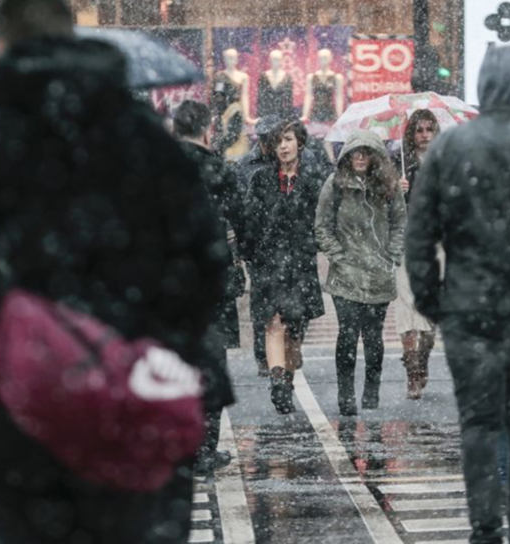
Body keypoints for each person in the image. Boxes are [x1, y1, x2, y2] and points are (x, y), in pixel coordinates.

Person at [0, 0, 231, 542]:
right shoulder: (146, 146)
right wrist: (153, 342)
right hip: (125, 398)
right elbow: (204, 266)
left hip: (2, 408)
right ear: (74, 39)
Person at [406, 45, 510, 544]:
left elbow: (419, 235)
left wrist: (432, 298)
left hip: (468, 306)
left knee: (479, 423)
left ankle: (484, 528)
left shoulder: (449, 149)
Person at [174, 100, 244, 475]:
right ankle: (204, 449)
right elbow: (244, 217)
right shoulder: (216, 168)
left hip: (169, 286)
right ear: (207, 129)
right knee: (211, 365)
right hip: (210, 284)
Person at [315, 130, 406, 416]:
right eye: (356, 151)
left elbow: (400, 223)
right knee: (348, 334)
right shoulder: (336, 184)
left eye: (366, 152)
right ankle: (346, 393)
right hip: (346, 274)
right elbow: (322, 225)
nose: (360, 157)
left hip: (378, 273)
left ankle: (372, 388)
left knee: (373, 335)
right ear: (347, 154)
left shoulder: (390, 186)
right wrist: (338, 257)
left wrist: (391, 254)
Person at [242, 121, 326, 414]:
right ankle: (278, 381)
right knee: (273, 321)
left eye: (288, 140)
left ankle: (287, 377)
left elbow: (324, 219)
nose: (283, 146)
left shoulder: (314, 179)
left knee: (295, 327)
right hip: (268, 262)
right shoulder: (261, 179)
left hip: (300, 264)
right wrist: (249, 254)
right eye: (278, 142)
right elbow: (249, 222)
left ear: (299, 142)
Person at [393, 109, 441, 399]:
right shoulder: (399, 165)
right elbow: (387, 205)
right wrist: (395, 189)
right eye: (419, 130)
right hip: (407, 244)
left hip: (439, 244)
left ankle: (422, 359)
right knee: (406, 308)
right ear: (411, 134)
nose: (424, 136)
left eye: (428, 129)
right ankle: (412, 372)